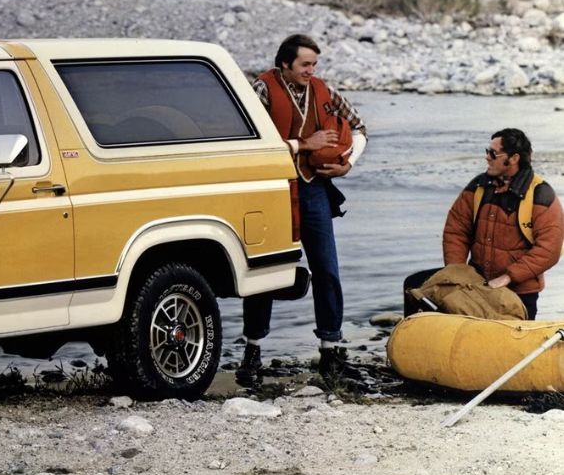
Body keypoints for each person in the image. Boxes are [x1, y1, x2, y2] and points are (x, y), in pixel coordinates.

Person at [236, 34, 368, 385]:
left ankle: (330, 350)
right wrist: (302, 144)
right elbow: (245, 143)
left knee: (327, 269)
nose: (312, 70)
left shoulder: (324, 90)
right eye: (305, 65)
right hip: (274, 192)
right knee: (265, 273)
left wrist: (347, 165)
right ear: (285, 65)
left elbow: (360, 128)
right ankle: (252, 351)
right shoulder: (261, 90)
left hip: (314, 191)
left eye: (314, 64)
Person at [403, 129, 563, 320]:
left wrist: (508, 277)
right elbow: (456, 231)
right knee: (413, 286)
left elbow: (549, 250)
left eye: (493, 153)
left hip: (518, 293)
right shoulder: (478, 187)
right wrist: (458, 272)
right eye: (487, 151)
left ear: (514, 158)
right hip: (476, 285)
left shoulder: (540, 195)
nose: (487, 158)